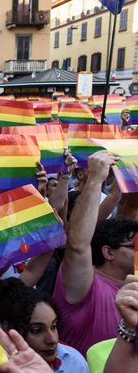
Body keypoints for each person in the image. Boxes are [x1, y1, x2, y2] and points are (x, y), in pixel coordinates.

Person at [53, 150, 138, 355]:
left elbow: (131, 208)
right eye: (134, 247)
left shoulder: (133, 286)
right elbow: (77, 244)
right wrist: (95, 179)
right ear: (109, 252)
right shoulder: (85, 286)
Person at [0, 278, 88, 372]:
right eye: (36, 330)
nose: (52, 340)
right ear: (9, 328)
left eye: (54, 326)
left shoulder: (74, 361)